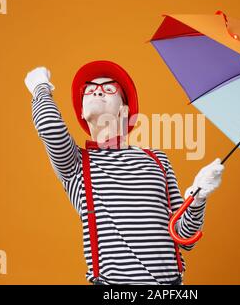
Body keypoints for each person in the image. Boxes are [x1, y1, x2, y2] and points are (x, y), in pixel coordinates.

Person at [24, 61, 224, 285]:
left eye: (109, 88)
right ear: (82, 112)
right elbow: (50, 127)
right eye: (89, 89)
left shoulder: (157, 160)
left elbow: (185, 238)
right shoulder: (76, 163)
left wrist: (196, 199)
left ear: (124, 110)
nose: (97, 89)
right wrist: (40, 86)